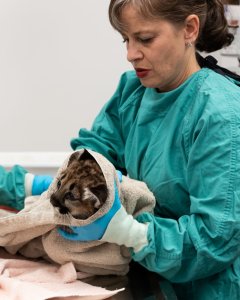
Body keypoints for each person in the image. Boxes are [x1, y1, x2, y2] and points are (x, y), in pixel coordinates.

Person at [59, 0, 240, 299]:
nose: (131, 54)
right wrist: (78, 174)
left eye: (144, 39)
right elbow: (98, 148)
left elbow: (214, 240)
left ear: (190, 29)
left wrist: (128, 232)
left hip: (208, 288)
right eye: (126, 39)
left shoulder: (221, 115)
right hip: (152, 277)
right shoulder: (133, 91)